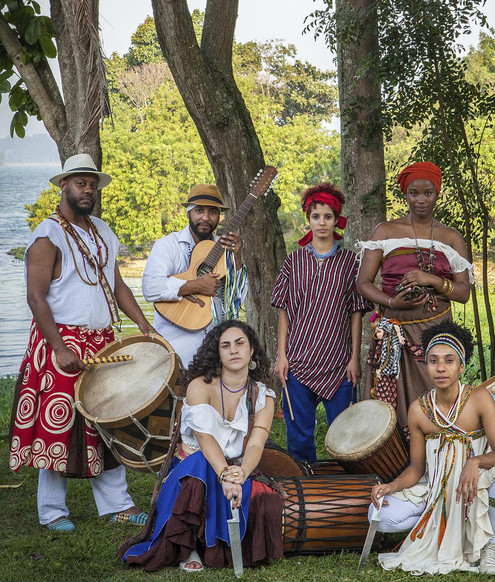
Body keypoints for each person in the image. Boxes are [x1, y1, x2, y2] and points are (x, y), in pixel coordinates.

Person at [9, 153, 154, 532]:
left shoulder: (102, 231)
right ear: (64, 186)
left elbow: (117, 285)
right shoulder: (48, 235)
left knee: (108, 420)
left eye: (92, 184)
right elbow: (36, 297)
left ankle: (118, 506)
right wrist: (59, 348)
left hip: (102, 340)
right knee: (58, 424)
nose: (88, 190)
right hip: (61, 340)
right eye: (80, 183)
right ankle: (52, 512)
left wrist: (144, 326)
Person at [119, 320, 283, 572]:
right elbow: (205, 439)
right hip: (192, 469)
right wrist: (224, 475)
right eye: (225, 345)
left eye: (240, 343)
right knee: (199, 465)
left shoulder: (263, 396)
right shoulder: (200, 386)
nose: (233, 350)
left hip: (235, 468)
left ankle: (213, 544)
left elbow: (256, 444)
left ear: (252, 351)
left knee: (264, 499)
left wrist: (241, 473)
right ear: (217, 353)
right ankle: (189, 547)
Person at [370, 321, 495, 575]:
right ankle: (437, 527)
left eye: (449, 360)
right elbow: (416, 467)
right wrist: (391, 486)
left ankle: (488, 548)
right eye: (433, 361)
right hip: (436, 491)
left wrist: (474, 462)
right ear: (426, 365)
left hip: (474, 489)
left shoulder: (479, 398)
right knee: (379, 515)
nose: (441, 368)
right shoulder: (418, 410)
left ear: (461, 366)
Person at [356, 162, 473, 438]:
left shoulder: (450, 237)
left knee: (435, 396)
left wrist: (432, 280)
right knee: (390, 403)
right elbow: (363, 283)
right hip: (393, 335)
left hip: (435, 333)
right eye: (414, 193)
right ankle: (397, 459)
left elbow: (463, 293)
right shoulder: (385, 232)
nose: (421, 200)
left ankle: (439, 454)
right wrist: (392, 303)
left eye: (428, 193)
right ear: (405, 195)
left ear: (437, 193)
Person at [271, 183, 370, 462]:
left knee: (344, 434)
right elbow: (283, 312)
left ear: (337, 219)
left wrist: (354, 358)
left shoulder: (350, 263)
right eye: (316, 216)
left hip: (338, 363)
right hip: (297, 361)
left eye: (328, 216)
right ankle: (304, 482)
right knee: (299, 437)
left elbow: (356, 313)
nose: (322, 222)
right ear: (309, 219)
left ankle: (343, 482)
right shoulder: (293, 262)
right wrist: (282, 355)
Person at [142, 184, 247, 368]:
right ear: (188, 213)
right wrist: (196, 286)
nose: (206, 217)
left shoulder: (226, 250)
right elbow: (150, 288)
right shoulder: (167, 245)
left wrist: (237, 257)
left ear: (219, 217)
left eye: (212, 212)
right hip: (173, 349)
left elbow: (236, 301)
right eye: (199, 211)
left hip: (215, 350)